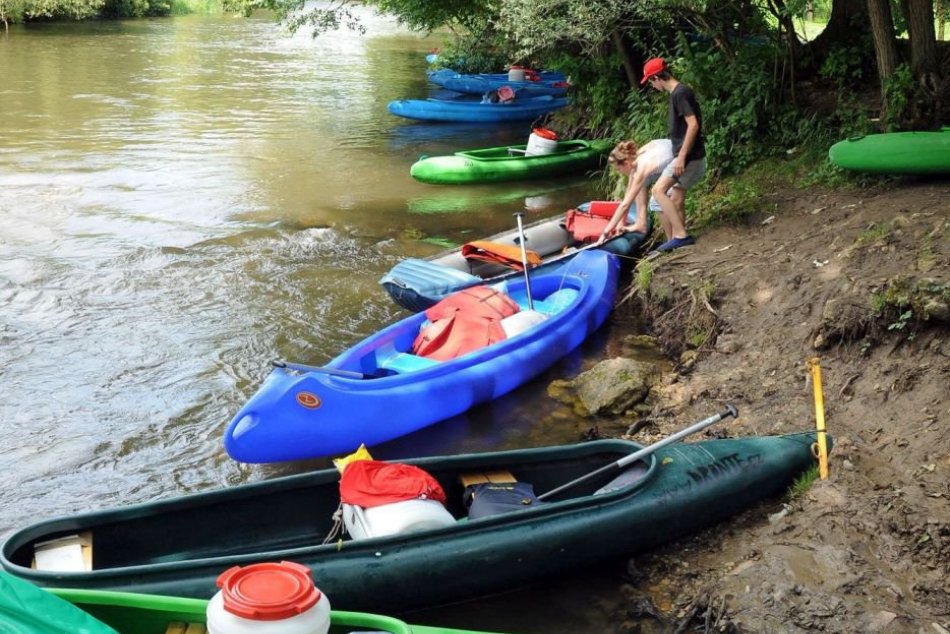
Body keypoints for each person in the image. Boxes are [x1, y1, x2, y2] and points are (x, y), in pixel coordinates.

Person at [641, 57, 706, 252]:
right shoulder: (677, 94)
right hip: (689, 155)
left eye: (650, 81)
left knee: (657, 191)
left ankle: (680, 236)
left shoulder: (680, 93)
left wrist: (681, 156)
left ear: (656, 78)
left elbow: (693, 124)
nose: (652, 86)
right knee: (675, 199)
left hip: (688, 156)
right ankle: (675, 242)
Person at [595, 138, 674, 257]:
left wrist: (606, 232)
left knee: (655, 202)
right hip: (666, 152)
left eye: (618, 169)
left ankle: (671, 242)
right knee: (640, 186)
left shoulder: (641, 168)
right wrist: (620, 223)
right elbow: (628, 193)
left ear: (626, 163)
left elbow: (625, 204)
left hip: (679, 161)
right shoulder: (633, 160)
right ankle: (641, 223)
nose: (619, 172)